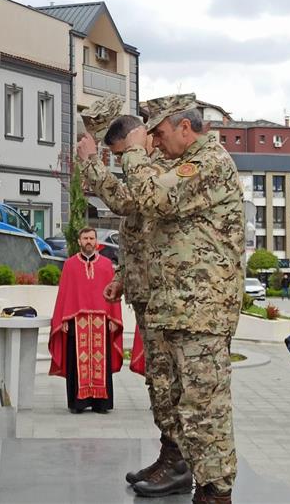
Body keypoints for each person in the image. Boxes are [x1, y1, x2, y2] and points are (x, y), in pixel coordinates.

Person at [78, 93, 243, 504]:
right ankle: (179, 465)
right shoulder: (175, 165)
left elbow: (154, 199)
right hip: (174, 303)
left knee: (205, 408)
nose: (155, 140)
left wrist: (131, 152)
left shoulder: (211, 162)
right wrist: (125, 276)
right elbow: (141, 219)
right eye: (148, 134)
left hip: (202, 309)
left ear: (185, 127)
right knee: (173, 395)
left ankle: (215, 493)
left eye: (160, 132)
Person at [81, 107, 181, 485]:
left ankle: (178, 462)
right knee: (159, 383)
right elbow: (138, 232)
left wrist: (92, 163)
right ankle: (169, 457)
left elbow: (127, 203)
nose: (122, 162)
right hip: (146, 289)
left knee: (168, 384)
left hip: (164, 293)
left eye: (122, 154)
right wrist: (122, 275)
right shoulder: (142, 166)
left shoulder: (155, 164)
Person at [49, 227, 124, 414]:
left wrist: (114, 317)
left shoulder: (107, 265)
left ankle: (101, 404)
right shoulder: (70, 264)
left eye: (91, 238)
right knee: (76, 361)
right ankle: (77, 403)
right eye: (85, 238)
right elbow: (64, 294)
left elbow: (113, 293)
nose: (88, 241)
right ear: (79, 241)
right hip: (77, 320)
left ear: (96, 241)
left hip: (101, 321)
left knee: (102, 361)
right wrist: (63, 319)